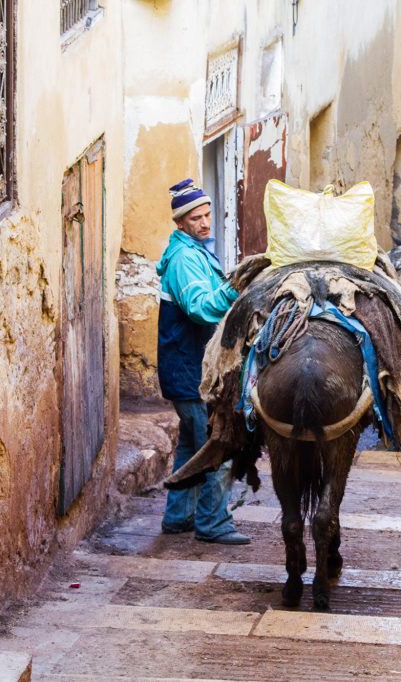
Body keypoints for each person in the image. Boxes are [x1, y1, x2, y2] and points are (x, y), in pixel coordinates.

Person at [156, 178, 249, 544]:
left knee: (191, 446)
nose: (205, 222)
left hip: (188, 369)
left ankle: (179, 516)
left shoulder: (193, 251)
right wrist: (234, 287)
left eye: (208, 214)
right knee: (217, 445)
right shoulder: (183, 260)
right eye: (196, 218)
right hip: (191, 372)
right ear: (180, 223)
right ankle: (213, 523)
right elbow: (198, 308)